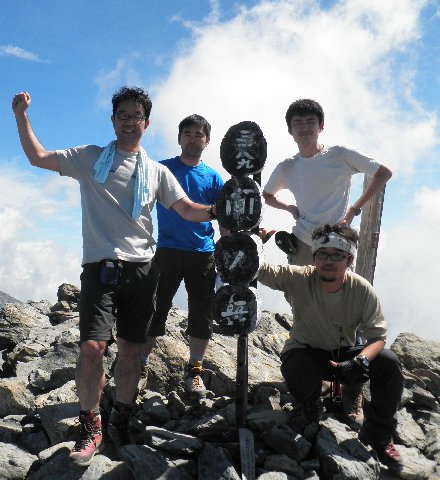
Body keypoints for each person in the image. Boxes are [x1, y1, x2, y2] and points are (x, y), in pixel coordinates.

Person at [11, 87, 218, 466]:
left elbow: (188, 210)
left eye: (136, 116)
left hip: (142, 269)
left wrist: (224, 211)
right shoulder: (90, 158)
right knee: (92, 349)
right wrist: (21, 117)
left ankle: (121, 414)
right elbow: (37, 157)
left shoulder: (156, 171)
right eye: (123, 114)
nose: (129, 121)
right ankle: (91, 424)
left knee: (132, 352)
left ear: (146, 123)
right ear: (113, 120)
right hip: (100, 267)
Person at [257, 223, 404, 473]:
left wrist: (361, 362)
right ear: (314, 257)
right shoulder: (300, 277)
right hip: (307, 350)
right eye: (322, 254)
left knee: (389, 363)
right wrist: (251, 239)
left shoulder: (361, 290)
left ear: (349, 259)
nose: (329, 260)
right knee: (296, 366)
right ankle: (312, 404)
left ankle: (378, 434)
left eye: (337, 255)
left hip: (346, 355)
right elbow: (260, 270)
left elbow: (377, 337)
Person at [138, 114, 227, 397]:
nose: (192, 138)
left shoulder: (213, 177)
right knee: (155, 308)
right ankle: (140, 363)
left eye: (198, 134)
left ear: (207, 141)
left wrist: (226, 252)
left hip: (204, 253)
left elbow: (223, 217)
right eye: (187, 133)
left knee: (201, 314)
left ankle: (194, 369)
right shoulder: (163, 169)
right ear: (179, 138)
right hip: (167, 250)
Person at [263, 98, 392, 266]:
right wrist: (289, 208)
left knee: (339, 292)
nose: (305, 128)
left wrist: (354, 209)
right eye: (298, 123)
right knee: (298, 292)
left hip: (337, 242)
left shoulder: (340, 154)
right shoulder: (287, 167)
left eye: (311, 122)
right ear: (290, 130)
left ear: (321, 126)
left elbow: (383, 174)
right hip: (303, 242)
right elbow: (266, 195)